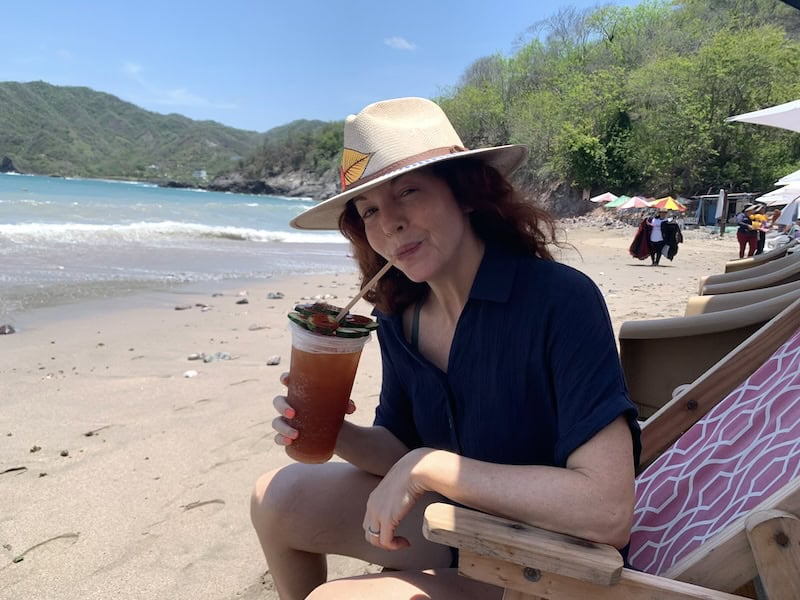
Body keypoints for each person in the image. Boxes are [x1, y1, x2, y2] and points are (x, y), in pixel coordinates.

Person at [250, 97, 641, 600]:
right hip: (458, 528)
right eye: (369, 210)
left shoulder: (559, 300)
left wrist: (429, 467)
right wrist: (331, 430)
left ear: (466, 193)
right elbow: (398, 442)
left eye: (408, 192)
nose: (388, 223)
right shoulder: (398, 315)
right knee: (274, 497)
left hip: (550, 561)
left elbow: (607, 512)